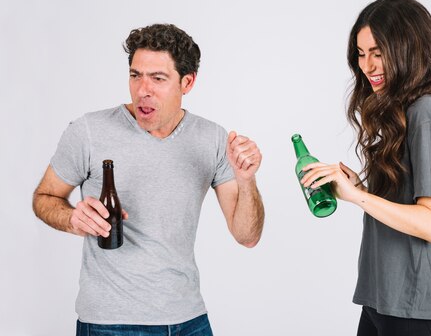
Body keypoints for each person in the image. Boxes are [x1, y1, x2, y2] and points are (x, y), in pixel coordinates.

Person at [32, 23, 265, 335]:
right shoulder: (88, 131)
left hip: (189, 320)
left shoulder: (212, 139)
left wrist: (247, 179)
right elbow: (44, 198)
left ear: (188, 82)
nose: (143, 89)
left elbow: (246, 235)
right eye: (135, 75)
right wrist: (73, 218)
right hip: (110, 324)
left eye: (158, 78)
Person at [300, 0, 431, 336]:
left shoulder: (425, 114)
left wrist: (358, 197)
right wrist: (361, 189)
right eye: (361, 53)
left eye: (378, 53)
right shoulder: (404, 111)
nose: (368, 66)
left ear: (407, 49)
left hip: (413, 313)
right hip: (384, 301)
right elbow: (406, 205)